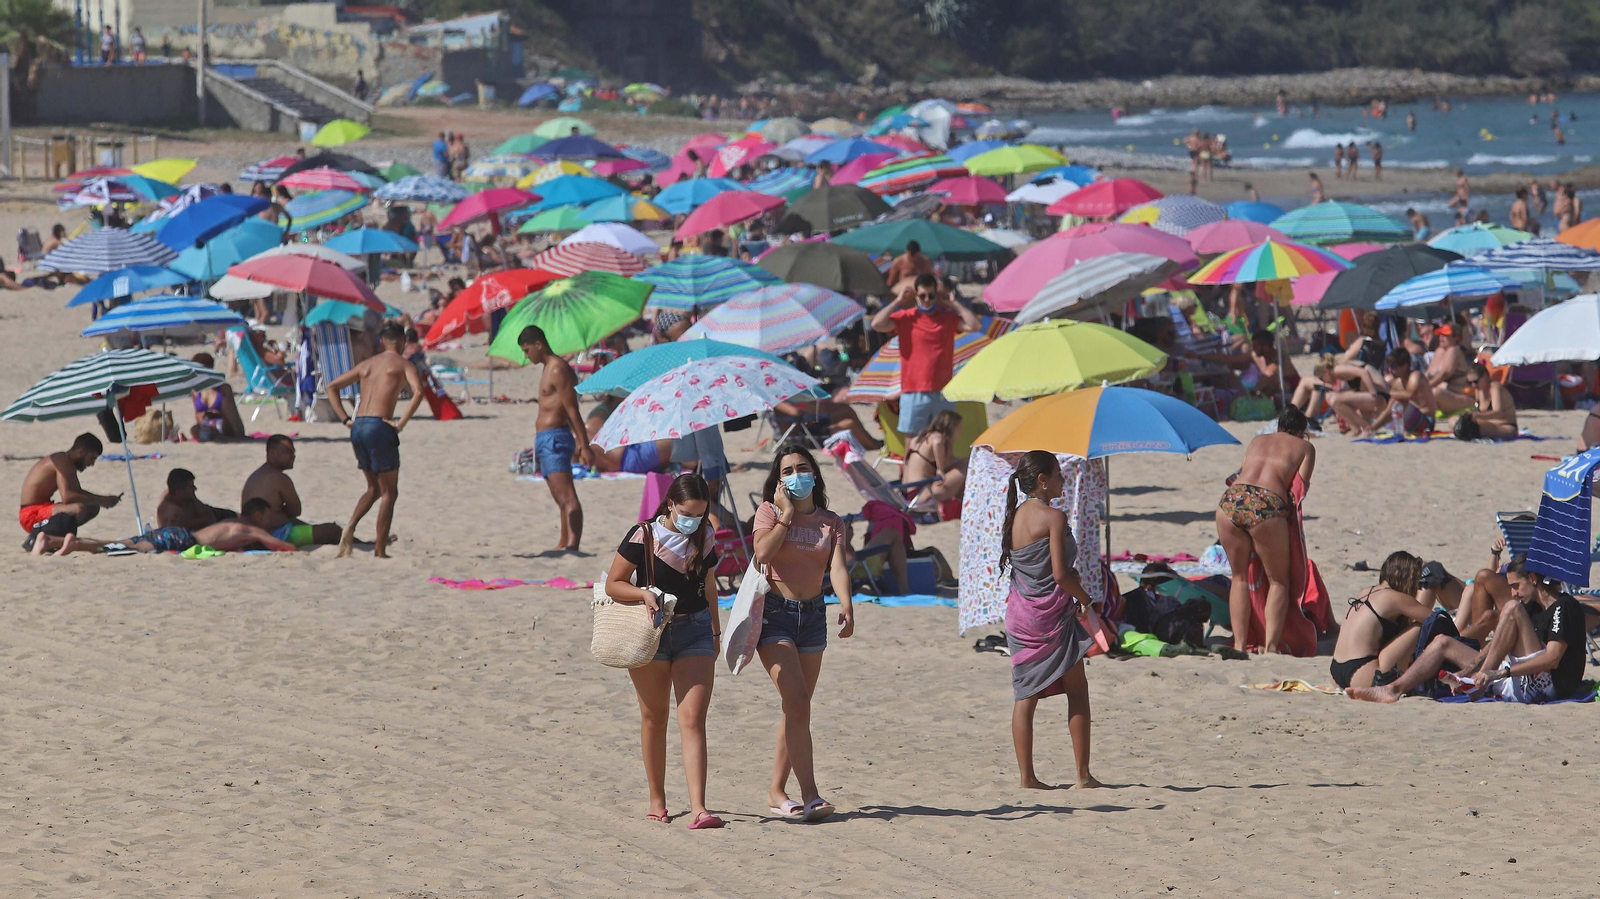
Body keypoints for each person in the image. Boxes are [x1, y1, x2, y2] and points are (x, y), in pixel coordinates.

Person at [604, 473, 723, 829]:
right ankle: (657, 800)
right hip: (652, 633)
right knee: (654, 717)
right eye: (687, 512)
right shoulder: (644, 535)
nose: (693, 520)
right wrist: (643, 594)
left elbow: (711, 585)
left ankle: (699, 807)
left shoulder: (704, 534)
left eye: (700, 514)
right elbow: (614, 584)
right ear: (670, 504)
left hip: (696, 630)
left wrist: (716, 630)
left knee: (693, 719)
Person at [751, 444, 854, 822]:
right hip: (775, 615)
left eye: (803, 467)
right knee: (796, 700)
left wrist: (846, 603)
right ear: (778, 480)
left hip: (812, 615)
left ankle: (777, 792)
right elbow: (762, 553)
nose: (797, 475)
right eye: (788, 470)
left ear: (815, 473)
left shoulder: (832, 522)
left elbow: (838, 567)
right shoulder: (769, 512)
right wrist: (786, 516)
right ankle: (810, 795)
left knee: (797, 707)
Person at [1348, 556, 1588, 704]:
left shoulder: (1564, 607)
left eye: (1516, 586)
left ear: (1533, 578)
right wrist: (1473, 667)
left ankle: (1479, 681)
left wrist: (1499, 674)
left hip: (1546, 688)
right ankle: (1393, 688)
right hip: (1516, 677)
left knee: (1511, 608)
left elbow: (1552, 659)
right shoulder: (1532, 607)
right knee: (1443, 642)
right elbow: (1502, 644)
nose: (1513, 592)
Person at [1000, 450, 1102, 790]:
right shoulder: (1053, 518)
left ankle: (1027, 777)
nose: (1063, 479)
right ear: (1042, 480)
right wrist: (1086, 599)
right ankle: (1083, 775)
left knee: (1024, 696)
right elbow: (1060, 574)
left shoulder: (1014, 516)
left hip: (1019, 614)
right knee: (1078, 691)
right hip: (1050, 617)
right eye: (1058, 474)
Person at [1215, 406, 1316, 654]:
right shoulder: (1305, 448)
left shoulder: (1257, 440)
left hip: (1231, 500)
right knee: (1279, 581)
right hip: (1266, 503)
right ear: (1302, 432)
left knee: (1238, 577)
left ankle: (1239, 645)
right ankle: (1270, 648)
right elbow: (1299, 490)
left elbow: (1240, 473)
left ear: (1279, 426)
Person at [326, 322, 424, 559]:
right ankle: (380, 550)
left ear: (382, 341)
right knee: (389, 492)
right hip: (380, 426)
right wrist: (401, 423)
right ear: (402, 342)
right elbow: (418, 392)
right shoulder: (403, 364)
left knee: (373, 488)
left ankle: (350, 526)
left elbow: (331, 387)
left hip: (358, 426)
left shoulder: (367, 364)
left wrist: (344, 419)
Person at [869, 274, 980, 435]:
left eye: (931, 295)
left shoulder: (948, 318)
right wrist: (898, 302)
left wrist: (954, 304)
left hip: (943, 391)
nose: (926, 299)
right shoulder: (906, 317)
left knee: (944, 441)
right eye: (922, 295)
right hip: (913, 390)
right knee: (913, 442)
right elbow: (876, 324)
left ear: (936, 295)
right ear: (916, 295)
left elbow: (974, 326)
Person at [520, 325, 591, 551]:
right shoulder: (548, 368)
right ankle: (564, 542)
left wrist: (584, 445)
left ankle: (572, 546)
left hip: (555, 438)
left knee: (567, 496)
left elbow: (572, 409)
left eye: (527, 350)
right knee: (560, 498)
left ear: (538, 344)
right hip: (547, 438)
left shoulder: (557, 369)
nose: (526, 355)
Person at [1328, 551, 1433, 689]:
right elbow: (1435, 619)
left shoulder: (1366, 592)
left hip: (1335, 672)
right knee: (1422, 626)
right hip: (1363, 673)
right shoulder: (1395, 597)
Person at [240, 435, 344, 548]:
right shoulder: (279, 478)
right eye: (288, 452)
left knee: (302, 525)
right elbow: (296, 510)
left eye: (293, 452)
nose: (293, 456)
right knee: (332, 531)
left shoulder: (256, 475)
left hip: (249, 535)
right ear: (273, 453)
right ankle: (360, 544)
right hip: (274, 536)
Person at [18, 433, 118, 541]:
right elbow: (69, 497)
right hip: (30, 515)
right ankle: (48, 539)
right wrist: (102, 500)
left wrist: (101, 500)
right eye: (92, 458)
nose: (91, 464)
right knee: (79, 508)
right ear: (81, 452)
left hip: (41, 508)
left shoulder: (66, 462)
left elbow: (76, 492)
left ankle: (59, 538)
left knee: (92, 508)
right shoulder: (62, 461)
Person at [1416, 541, 1515, 642]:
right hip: (1477, 592)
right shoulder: (1511, 559)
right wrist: (1495, 552)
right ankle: (1414, 623)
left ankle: (1449, 635)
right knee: (1425, 567)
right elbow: (1489, 575)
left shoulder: (1520, 563)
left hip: (1482, 601)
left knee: (1432, 571)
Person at [902, 408, 965, 511]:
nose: (960, 432)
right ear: (952, 428)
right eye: (959, 428)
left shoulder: (918, 439)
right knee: (967, 466)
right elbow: (943, 471)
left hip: (907, 494)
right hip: (922, 495)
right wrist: (940, 467)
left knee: (962, 465)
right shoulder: (938, 439)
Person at [187, 353, 246, 440]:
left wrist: (217, 413)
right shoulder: (195, 391)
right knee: (194, 429)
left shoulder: (223, 389)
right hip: (207, 426)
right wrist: (204, 415)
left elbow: (232, 416)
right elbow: (197, 417)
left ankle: (219, 435)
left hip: (226, 425)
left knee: (222, 427)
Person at [156, 468, 234, 531]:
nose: (195, 488)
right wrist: (202, 520)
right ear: (179, 491)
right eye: (191, 486)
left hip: (215, 515)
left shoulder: (186, 497)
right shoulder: (170, 511)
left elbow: (210, 516)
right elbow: (174, 533)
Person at [1456, 362, 1517, 440]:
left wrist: (1477, 415)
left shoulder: (1495, 388)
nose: (1473, 385)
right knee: (1454, 421)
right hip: (1486, 424)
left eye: (1476, 381)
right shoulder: (1479, 390)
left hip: (1504, 426)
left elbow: (1498, 413)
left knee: (1473, 426)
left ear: (1485, 376)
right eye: (1470, 383)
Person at [1425, 324, 1474, 414]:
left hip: (1462, 395)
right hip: (1446, 394)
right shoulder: (1439, 351)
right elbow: (1428, 374)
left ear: (1456, 338)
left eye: (1445, 335)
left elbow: (1444, 374)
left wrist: (1424, 388)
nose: (1441, 338)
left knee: (1435, 393)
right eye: (1440, 335)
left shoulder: (1454, 351)